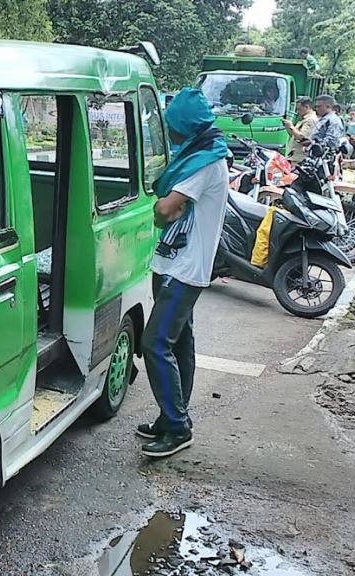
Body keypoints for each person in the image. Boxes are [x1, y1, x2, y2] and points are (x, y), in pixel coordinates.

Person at [138, 88, 230, 458]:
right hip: (173, 264)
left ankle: (177, 428)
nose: (170, 135)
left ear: (184, 129)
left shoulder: (204, 162)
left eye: (173, 128)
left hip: (185, 269)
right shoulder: (200, 154)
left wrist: (158, 203)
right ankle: (172, 415)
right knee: (179, 343)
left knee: (154, 343)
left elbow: (167, 211)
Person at [283, 96, 318, 162]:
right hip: (293, 155)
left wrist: (291, 126)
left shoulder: (310, 120)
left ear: (307, 107)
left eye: (299, 109)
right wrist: (288, 127)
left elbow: (302, 137)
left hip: (299, 158)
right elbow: (294, 136)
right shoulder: (303, 119)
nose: (297, 112)